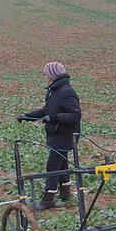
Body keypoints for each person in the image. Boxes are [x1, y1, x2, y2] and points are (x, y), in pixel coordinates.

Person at [17, 62, 82, 211]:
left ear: (52, 75)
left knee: (53, 165)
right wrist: (27, 116)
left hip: (65, 135)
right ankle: (65, 192)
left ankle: (48, 199)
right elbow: (46, 110)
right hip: (56, 134)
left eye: (45, 73)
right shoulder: (54, 91)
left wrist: (53, 118)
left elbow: (75, 115)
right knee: (61, 162)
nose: (44, 76)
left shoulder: (66, 92)